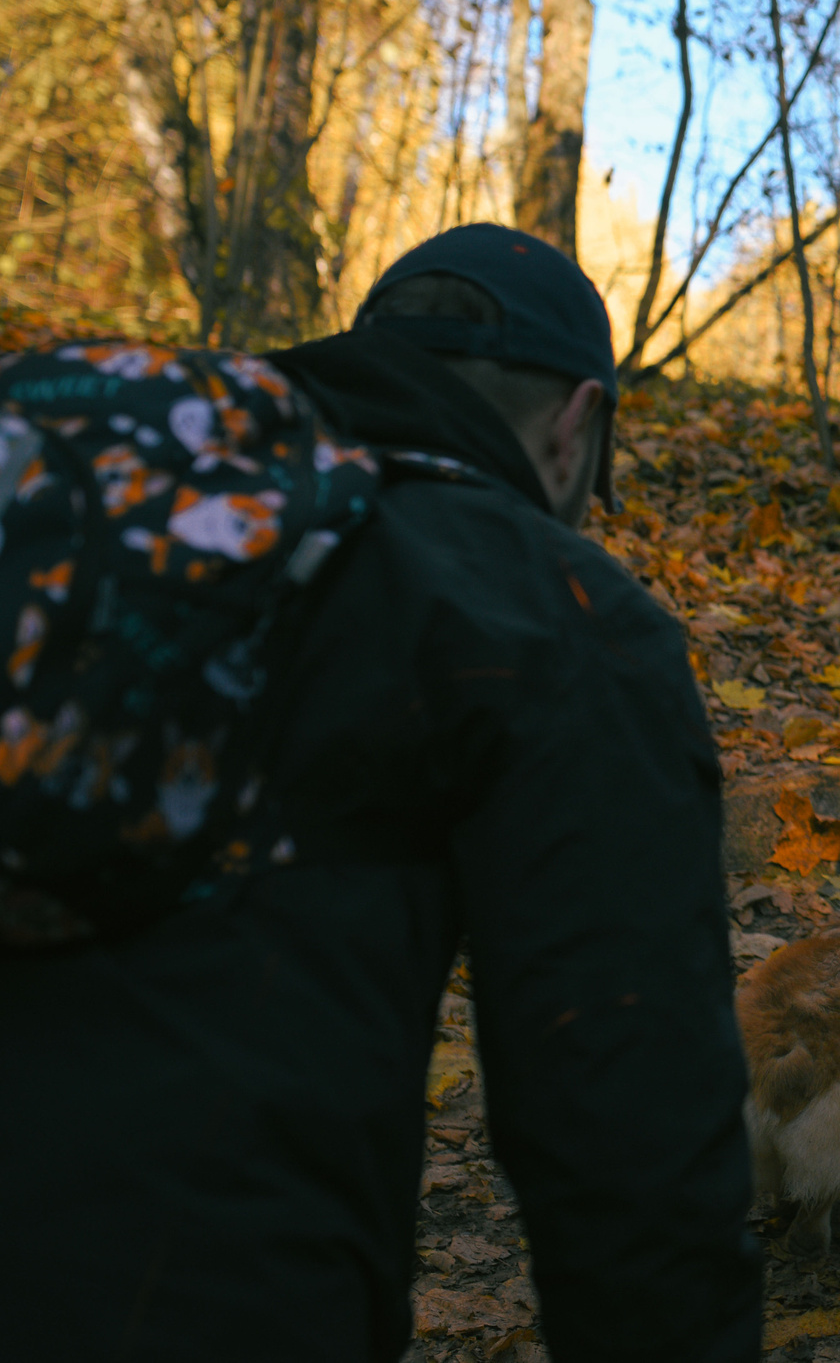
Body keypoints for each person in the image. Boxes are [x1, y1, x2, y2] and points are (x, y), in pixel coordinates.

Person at [0, 224, 761, 1361]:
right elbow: (630, 1134)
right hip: (201, 1290)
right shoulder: (553, 610)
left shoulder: (117, 506)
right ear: (577, 424)